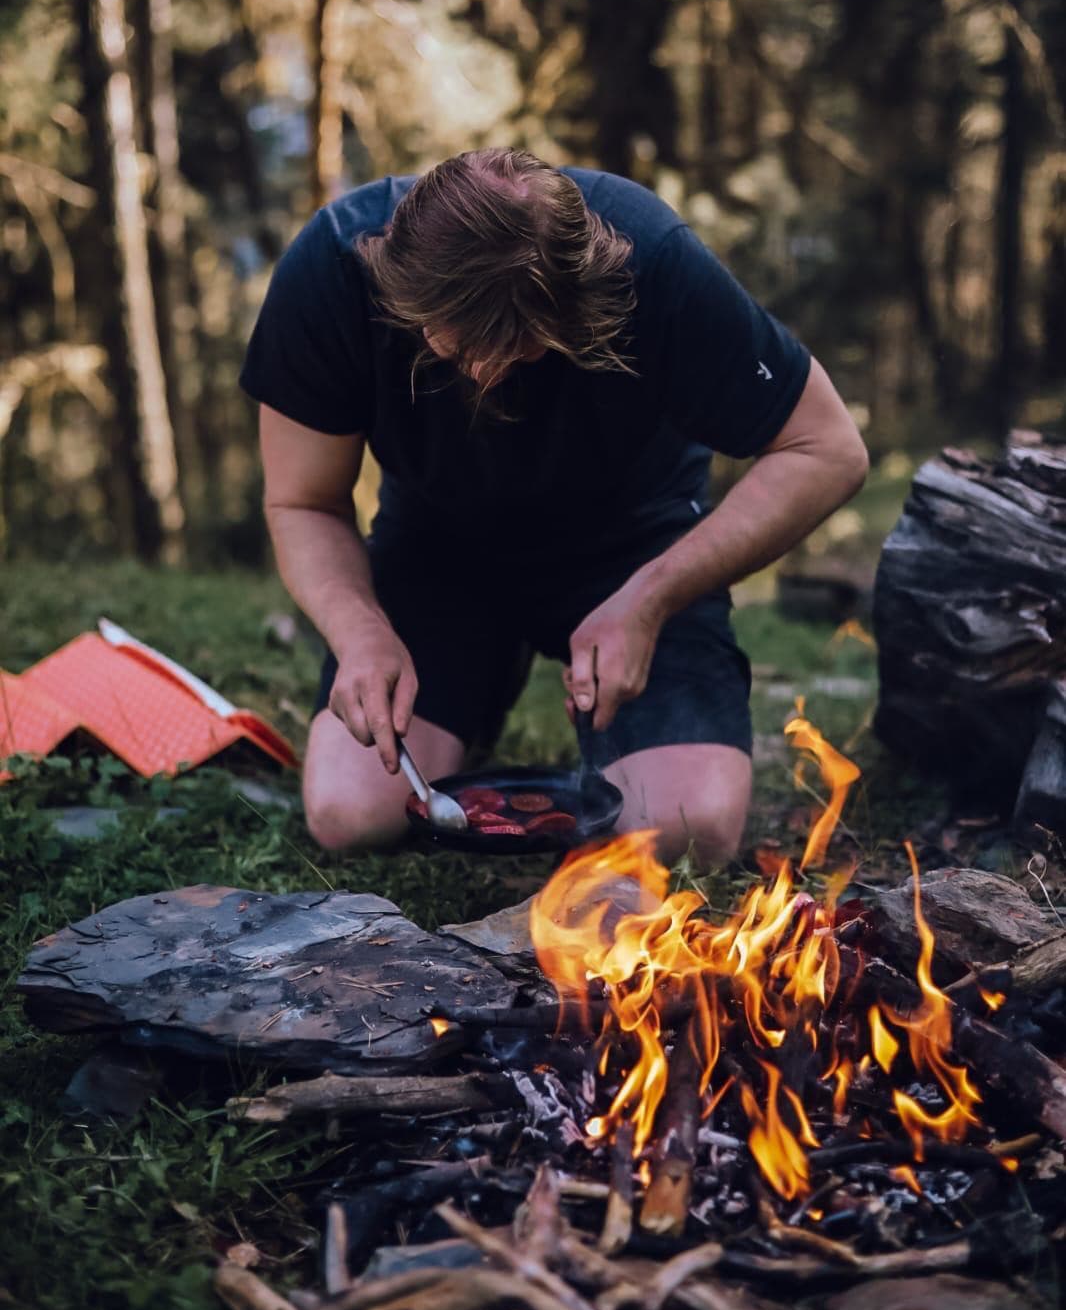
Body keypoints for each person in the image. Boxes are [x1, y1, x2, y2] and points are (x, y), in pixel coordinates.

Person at [239, 148, 868, 862]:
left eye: (516, 345)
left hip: (636, 547)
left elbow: (829, 449)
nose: (481, 370)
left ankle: (600, 674)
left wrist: (653, 598)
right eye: (454, 342)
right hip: (438, 553)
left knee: (689, 824)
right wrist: (359, 630)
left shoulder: (654, 264)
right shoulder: (332, 270)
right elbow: (303, 502)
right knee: (352, 814)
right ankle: (477, 673)